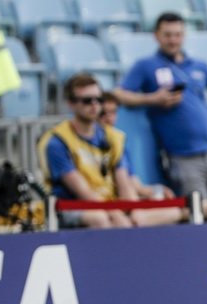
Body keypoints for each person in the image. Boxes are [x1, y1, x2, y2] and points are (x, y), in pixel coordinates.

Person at [113, 12, 207, 199]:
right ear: (157, 36)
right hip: (182, 156)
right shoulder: (146, 65)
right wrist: (152, 99)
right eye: (168, 35)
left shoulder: (198, 65)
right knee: (199, 210)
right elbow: (118, 93)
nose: (173, 40)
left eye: (177, 35)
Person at [99, 91, 207, 225]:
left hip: (131, 206)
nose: (109, 118)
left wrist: (154, 190)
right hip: (116, 210)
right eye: (104, 113)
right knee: (181, 211)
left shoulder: (117, 141)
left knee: (180, 208)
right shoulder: (93, 143)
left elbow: (133, 184)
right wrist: (132, 208)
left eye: (113, 112)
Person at [37, 73, 141, 228]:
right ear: (71, 104)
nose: (94, 105)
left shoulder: (113, 137)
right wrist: (115, 213)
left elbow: (124, 185)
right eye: (87, 101)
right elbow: (82, 191)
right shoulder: (58, 142)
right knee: (100, 218)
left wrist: (132, 213)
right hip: (71, 206)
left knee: (151, 215)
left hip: (109, 204)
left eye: (98, 100)